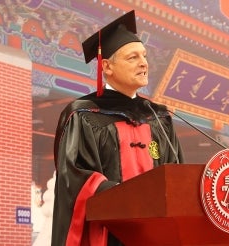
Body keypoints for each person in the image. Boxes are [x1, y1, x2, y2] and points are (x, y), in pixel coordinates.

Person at [51, 10, 184, 246]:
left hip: (156, 235)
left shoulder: (158, 117)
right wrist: (124, 196)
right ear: (107, 67)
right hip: (109, 234)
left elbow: (176, 176)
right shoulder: (84, 115)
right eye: (132, 57)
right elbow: (74, 176)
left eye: (144, 56)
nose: (144, 63)